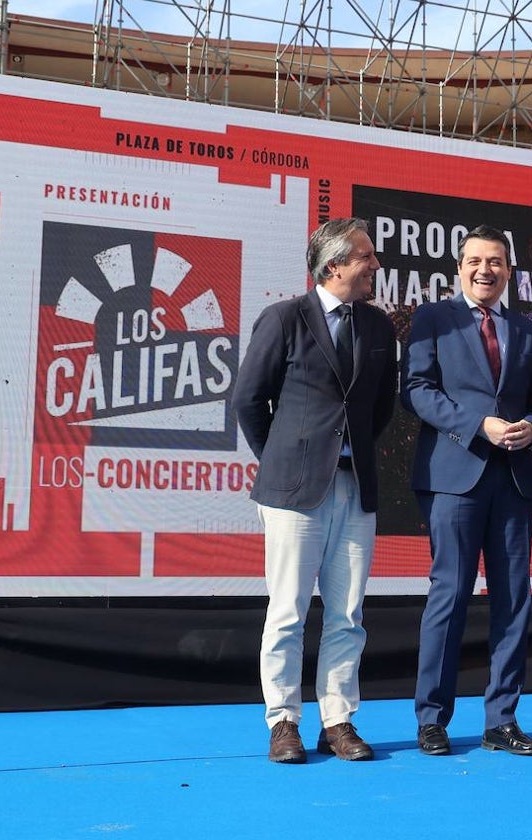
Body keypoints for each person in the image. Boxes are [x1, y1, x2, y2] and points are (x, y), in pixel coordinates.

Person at [232, 217, 398, 764]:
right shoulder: (284, 318)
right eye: (366, 257)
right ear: (335, 266)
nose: (376, 265)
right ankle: (282, 722)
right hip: (293, 492)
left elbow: (379, 411)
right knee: (288, 611)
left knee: (348, 613)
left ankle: (338, 719)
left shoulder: (377, 327)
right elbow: (249, 402)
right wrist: (287, 460)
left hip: (356, 488)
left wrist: (343, 456)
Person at [403, 224, 532, 757]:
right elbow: (416, 389)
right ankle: (432, 719)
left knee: (514, 600)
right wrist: (478, 425)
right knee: (450, 595)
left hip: (512, 480)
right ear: (458, 268)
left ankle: (501, 721)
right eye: (475, 261)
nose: (485, 270)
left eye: (495, 262)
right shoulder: (432, 318)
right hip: (453, 477)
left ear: (509, 271)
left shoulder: (527, 330)